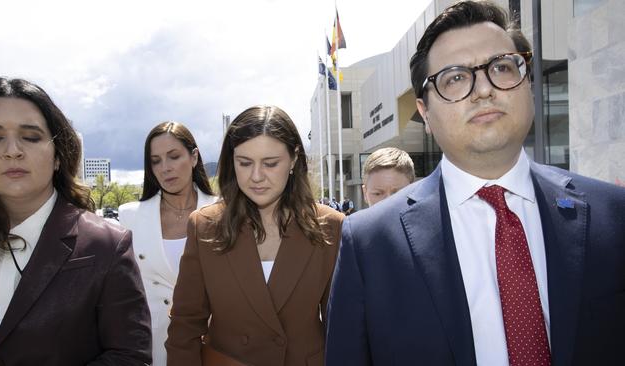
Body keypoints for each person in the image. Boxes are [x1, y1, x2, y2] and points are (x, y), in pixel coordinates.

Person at [326, 1, 625, 365]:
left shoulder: (613, 214)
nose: (484, 89)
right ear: (424, 112)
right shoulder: (370, 243)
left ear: (528, 84)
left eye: (501, 67)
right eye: (455, 77)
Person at [0, 77, 151, 365]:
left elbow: (130, 357)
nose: (12, 150)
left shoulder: (107, 245)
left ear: (58, 155)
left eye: (30, 136)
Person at [166, 105, 344, 366]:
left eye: (270, 163)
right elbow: (185, 326)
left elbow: (341, 328)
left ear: (294, 159)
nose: (256, 177)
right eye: (245, 163)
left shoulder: (331, 226)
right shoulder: (204, 226)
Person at [119, 121, 217, 366]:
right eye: (156, 160)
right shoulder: (129, 217)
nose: (165, 168)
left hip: (212, 343)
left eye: (174, 156)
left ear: (194, 157)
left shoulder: (223, 212)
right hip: (150, 348)